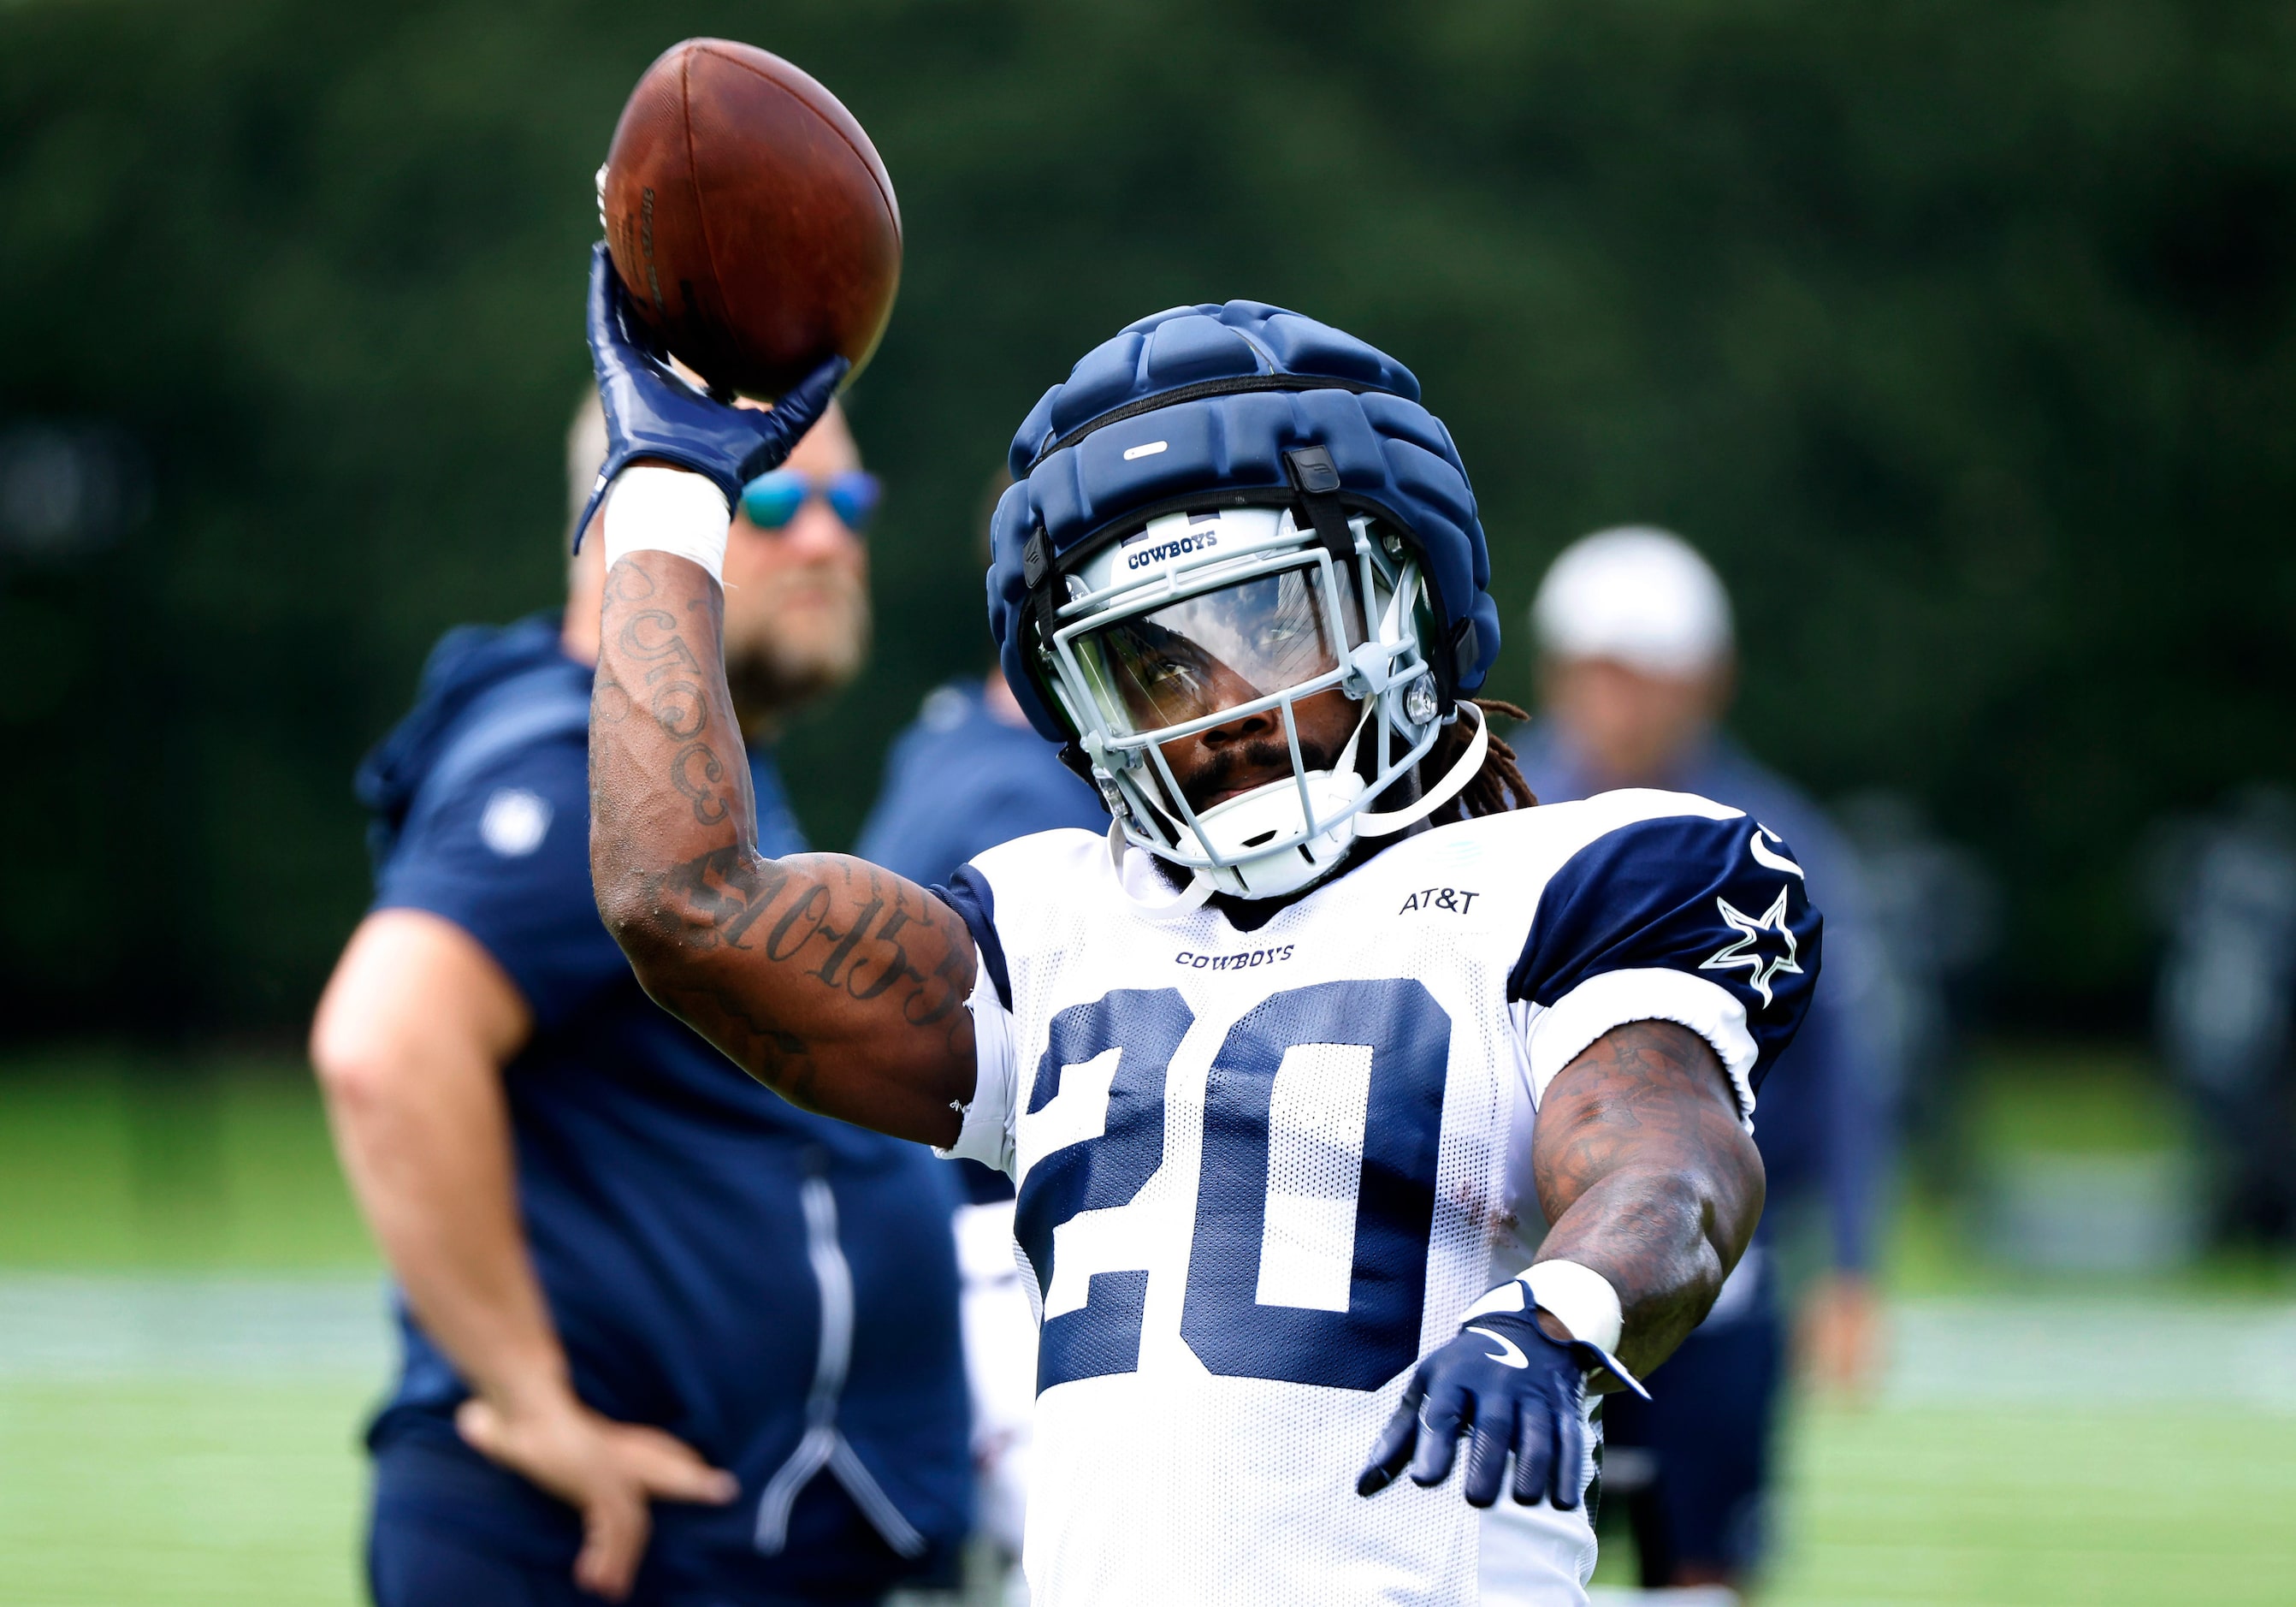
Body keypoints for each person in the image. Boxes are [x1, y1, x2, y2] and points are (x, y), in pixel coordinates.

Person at [574, 258, 1822, 1607]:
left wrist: (1556, 1315)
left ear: (1405, 592)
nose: (1219, 702)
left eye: (1269, 620)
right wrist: (665, 492)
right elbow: (679, 898)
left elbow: (1672, 1164)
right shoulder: (1047, 932)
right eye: (1154, 659)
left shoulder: (1572, 880)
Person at [308, 388, 971, 1607]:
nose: (826, 540)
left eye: (848, 499)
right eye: (769, 497)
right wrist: (530, 1401)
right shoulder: (578, 770)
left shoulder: (709, 774)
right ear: (635, 522)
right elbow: (384, 1043)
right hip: (599, 1545)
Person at [1512, 526, 1894, 1593]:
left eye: (1642, 677)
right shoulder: (1502, 823)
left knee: (1703, 1573)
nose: (1617, 704)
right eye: (1597, 674)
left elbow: (1842, 1076)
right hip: (1527, 1280)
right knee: (1511, 1567)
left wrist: (1851, 1265)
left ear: (1702, 682)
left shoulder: (1773, 838)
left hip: (1719, 1284)